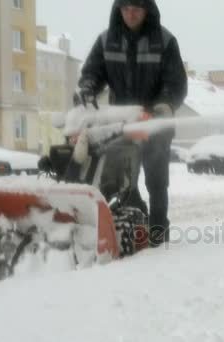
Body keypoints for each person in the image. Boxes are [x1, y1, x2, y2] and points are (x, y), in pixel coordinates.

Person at [78, 0, 187, 247]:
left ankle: (158, 234)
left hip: (156, 124)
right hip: (122, 123)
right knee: (121, 178)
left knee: (156, 181)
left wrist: (163, 105)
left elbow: (176, 83)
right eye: (125, 9)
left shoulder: (165, 41)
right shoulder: (107, 40)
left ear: (147, 10)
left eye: (136, 9)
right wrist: (87, 88)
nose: (130, 14)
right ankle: (134, 223)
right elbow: (92, 74)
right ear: (119, 10)